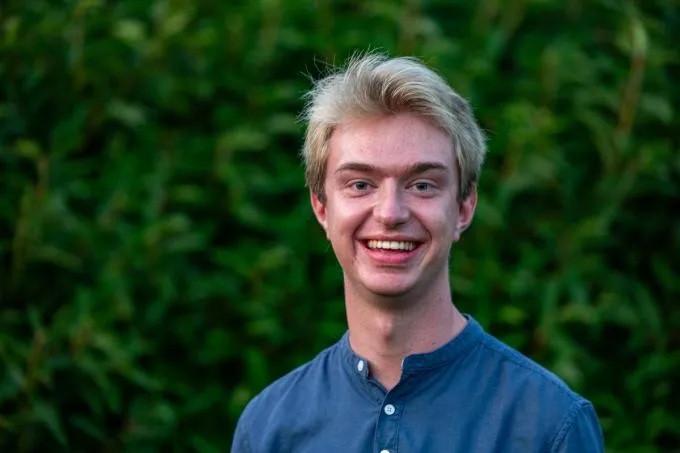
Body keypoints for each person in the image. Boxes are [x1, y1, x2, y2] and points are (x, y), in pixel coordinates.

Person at [231, 53, 604, 452]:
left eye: (422, 185)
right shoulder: (269, 428)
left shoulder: (550, 425)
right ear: (321, 207)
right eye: (360, 184)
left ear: (464, 208)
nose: (390, 213)